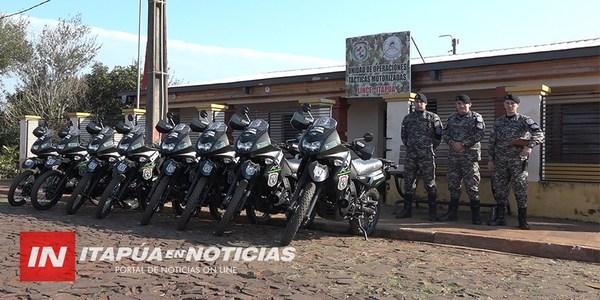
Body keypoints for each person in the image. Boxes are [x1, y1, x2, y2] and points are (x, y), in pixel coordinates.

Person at [487, 94, 545, 229]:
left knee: (520, 190)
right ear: (504, 105)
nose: (509, 106)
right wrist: (490, 159)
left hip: (518, 161)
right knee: (500, 191)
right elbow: (492, 142)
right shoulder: (498, 122)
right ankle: (500, 218)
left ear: (517, 105)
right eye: (507, 103)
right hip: (501, 161)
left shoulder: (524, 120)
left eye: (512, 103)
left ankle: (522, 220)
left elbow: (539, 134)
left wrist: (529, 146)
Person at [439, 94, 485, 225]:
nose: (461, 106)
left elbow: (480, 134)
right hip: (454, 157)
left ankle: (476, 216)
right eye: (459, 103)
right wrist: (452, 143)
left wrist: (463, 144)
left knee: (472, 186)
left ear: (470, 105)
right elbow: (445, 134)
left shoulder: (476, 117)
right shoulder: (451, 118)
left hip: (469, 157)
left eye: (464, 103)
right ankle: (452, 213)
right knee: (453, 185)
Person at [396, 92, 443, 221]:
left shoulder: (433, 117)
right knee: (409, 183)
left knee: (430, 184)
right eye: (416, 102)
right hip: (411, 155)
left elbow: (438, 136)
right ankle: (407, 210)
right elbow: (404, 136)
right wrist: (411, 147)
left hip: (426, 155)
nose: (419, 104)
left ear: (426, 104)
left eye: (421, 102)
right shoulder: (408, 118)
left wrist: (430, 148)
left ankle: (432, 213)